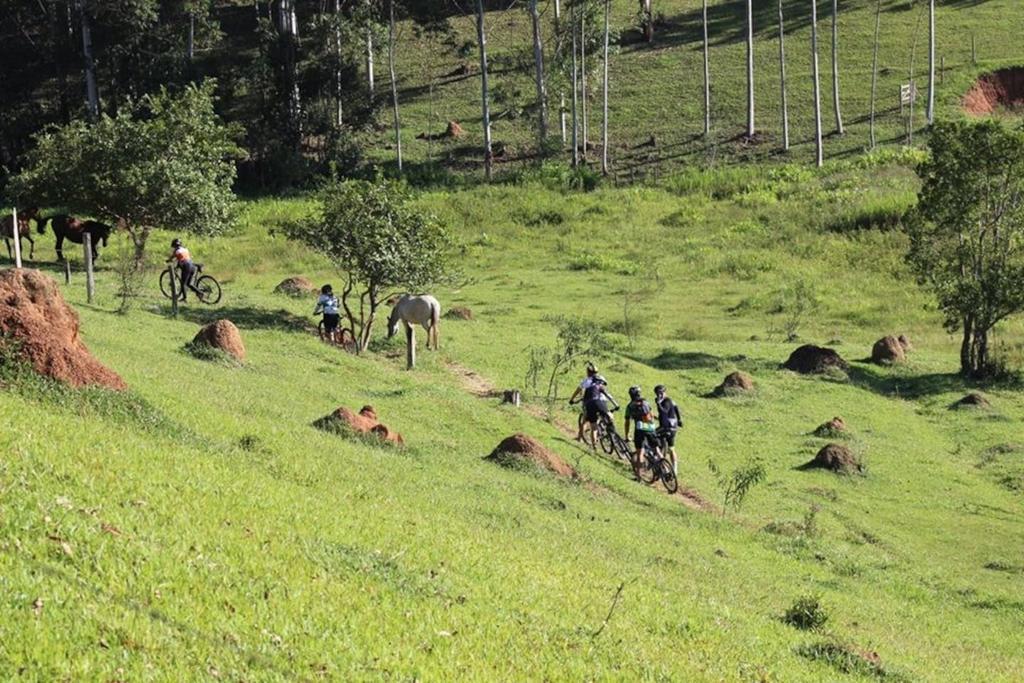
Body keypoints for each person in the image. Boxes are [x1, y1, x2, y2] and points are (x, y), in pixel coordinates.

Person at [571, 374, 619, 450]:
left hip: (589, 406)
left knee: (594, 428)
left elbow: (583, 400)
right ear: (600, 382)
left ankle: (594, 447)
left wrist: (575, 402)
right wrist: (616, 405)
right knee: (610, 415)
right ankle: (612, 431)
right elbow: (608, 396)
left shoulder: (588, 388)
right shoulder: (599, 386)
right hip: (598, 403)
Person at [623, 385, 661, 479]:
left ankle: (639, 476)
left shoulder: (630, 406)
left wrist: (627, 435)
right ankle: (667, 470)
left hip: (639, 429)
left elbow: (627, 422)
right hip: (651, 428)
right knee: (657, 450)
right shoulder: (646, 402)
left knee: (640, 453)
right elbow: (651, 415)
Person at [654, 384, 683, 474]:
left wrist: (658, 404)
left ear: (664, 392)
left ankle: (660, 462)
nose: (659, 395)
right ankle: (675, 469)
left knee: (652, 437)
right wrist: (679, 420)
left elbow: (664, 411)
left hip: (666, 427)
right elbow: (676, 409)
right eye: (658, 393)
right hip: (673, 427)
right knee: (671, 449)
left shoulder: (666, 401)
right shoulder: (671, 400)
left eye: (661, 393)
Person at [568, 361, 599, 441]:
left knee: (585, 420)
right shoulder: (600, 379)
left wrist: (572, 399)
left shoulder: (587, 381)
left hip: (590, 403)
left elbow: (578, 390)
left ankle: (579, 438)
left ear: (588, 372)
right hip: (601, 401)